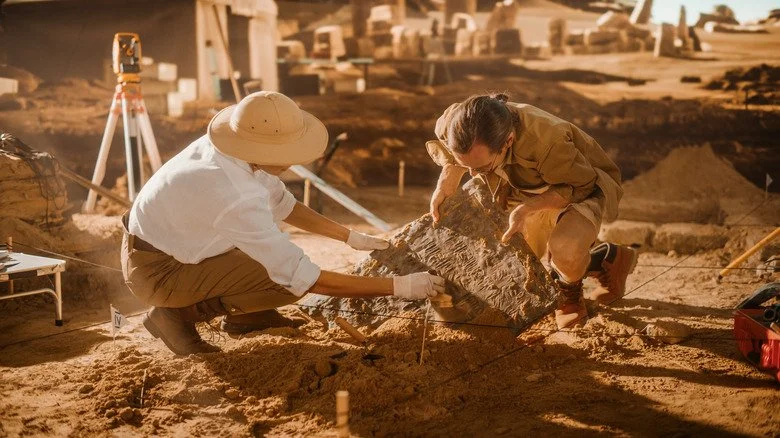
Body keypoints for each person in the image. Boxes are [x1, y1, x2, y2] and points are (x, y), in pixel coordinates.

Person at [121, 91, 444, 355]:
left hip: (169, 245)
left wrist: (348, 236)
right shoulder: (235, 192)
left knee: (275, 265)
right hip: (159, 271)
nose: (293, 159)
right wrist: (399, 287)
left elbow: (283, 204)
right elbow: (305, 279)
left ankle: (247, 317)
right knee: (285, 282)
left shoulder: (232, 149)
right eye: (287, 151)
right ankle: (174, 316)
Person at [426, 93, 637, 329]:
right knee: (517, 268)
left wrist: (528, 209)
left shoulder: (548, 140)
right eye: (468, 166)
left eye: (483, 167)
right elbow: (451, 150)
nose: (474, 174)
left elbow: (580, 186)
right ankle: (609, 259)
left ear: (508, 140)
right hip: (522, 186)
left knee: (564, 249)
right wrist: (447, 179)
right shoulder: (456, 121)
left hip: (576, 185)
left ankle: (569, 294)